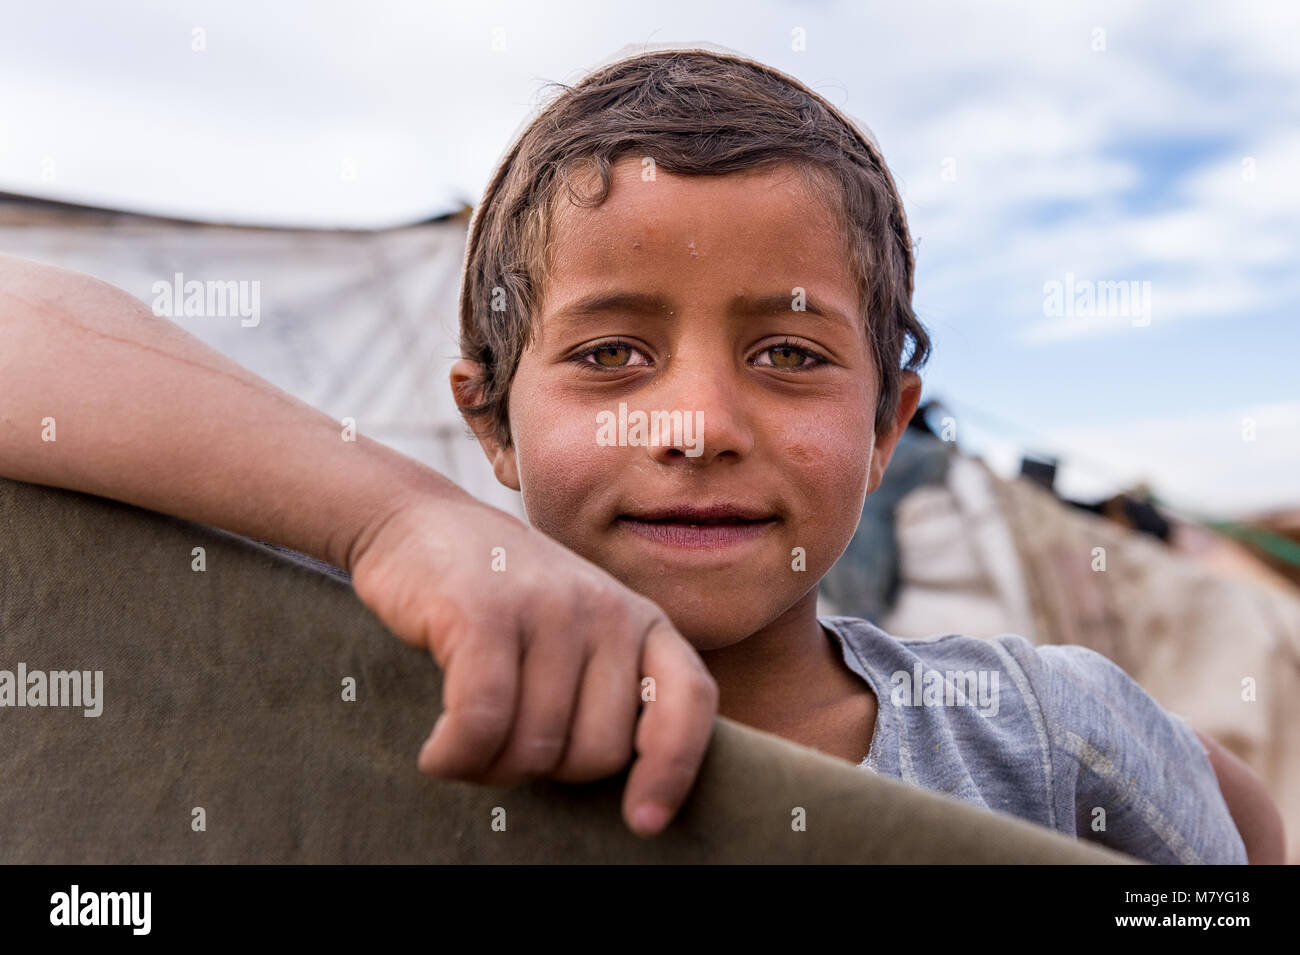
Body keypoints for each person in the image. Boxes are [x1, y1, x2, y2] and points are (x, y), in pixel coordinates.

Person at [0, 42, 1282, 863]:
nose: (698, 424)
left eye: (788, 356)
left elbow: (1237, 824)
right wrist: (399, 522)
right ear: (492, 424)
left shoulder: (1039, 734)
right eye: (611, 354)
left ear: (888, 430)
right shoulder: (375, 686)